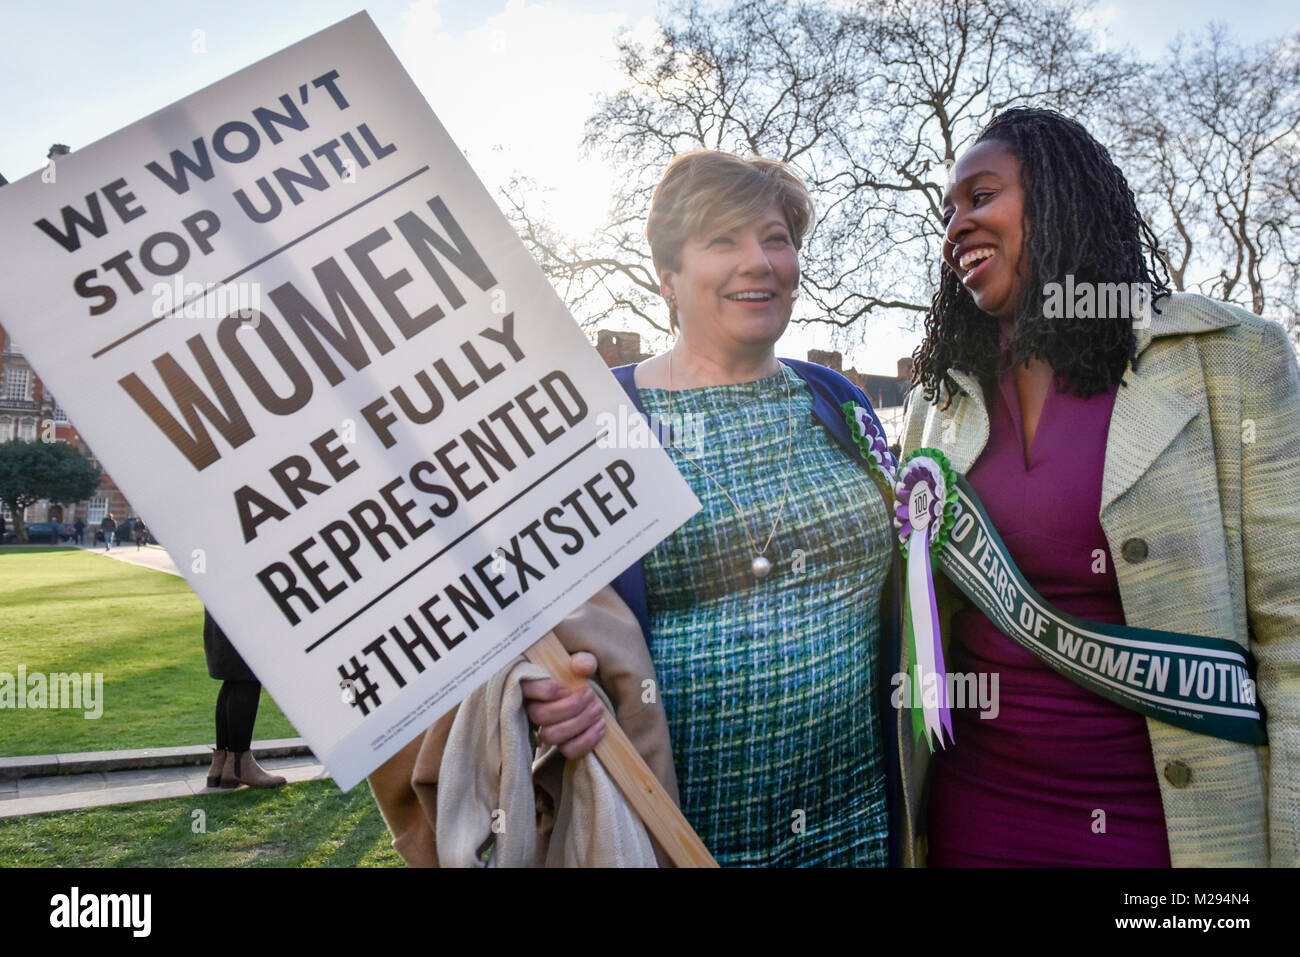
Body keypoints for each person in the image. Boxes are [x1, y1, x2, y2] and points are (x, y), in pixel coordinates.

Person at [899, 107, 1300, 866]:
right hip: (974, 816)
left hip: (1170, 831)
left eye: (980, 197)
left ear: (1056, 198)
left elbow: (1292, 633)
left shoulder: (1232, 359)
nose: (956, 227)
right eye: (949, 212)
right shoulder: (937, 402)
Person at [520, 150, 900, 866]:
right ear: (668, 275)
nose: (757, 261)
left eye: (776, 238)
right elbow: (531, 613)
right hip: (678, 831)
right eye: (722, 240)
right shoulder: (603, 415)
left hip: (858, 822)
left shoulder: (839, 401)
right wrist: (546, 696)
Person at [203, 609, 287, 789]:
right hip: (240, 606)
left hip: (221, 601)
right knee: (247, 675)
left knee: (234, 677)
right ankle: (239, 764)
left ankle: (223, 763)